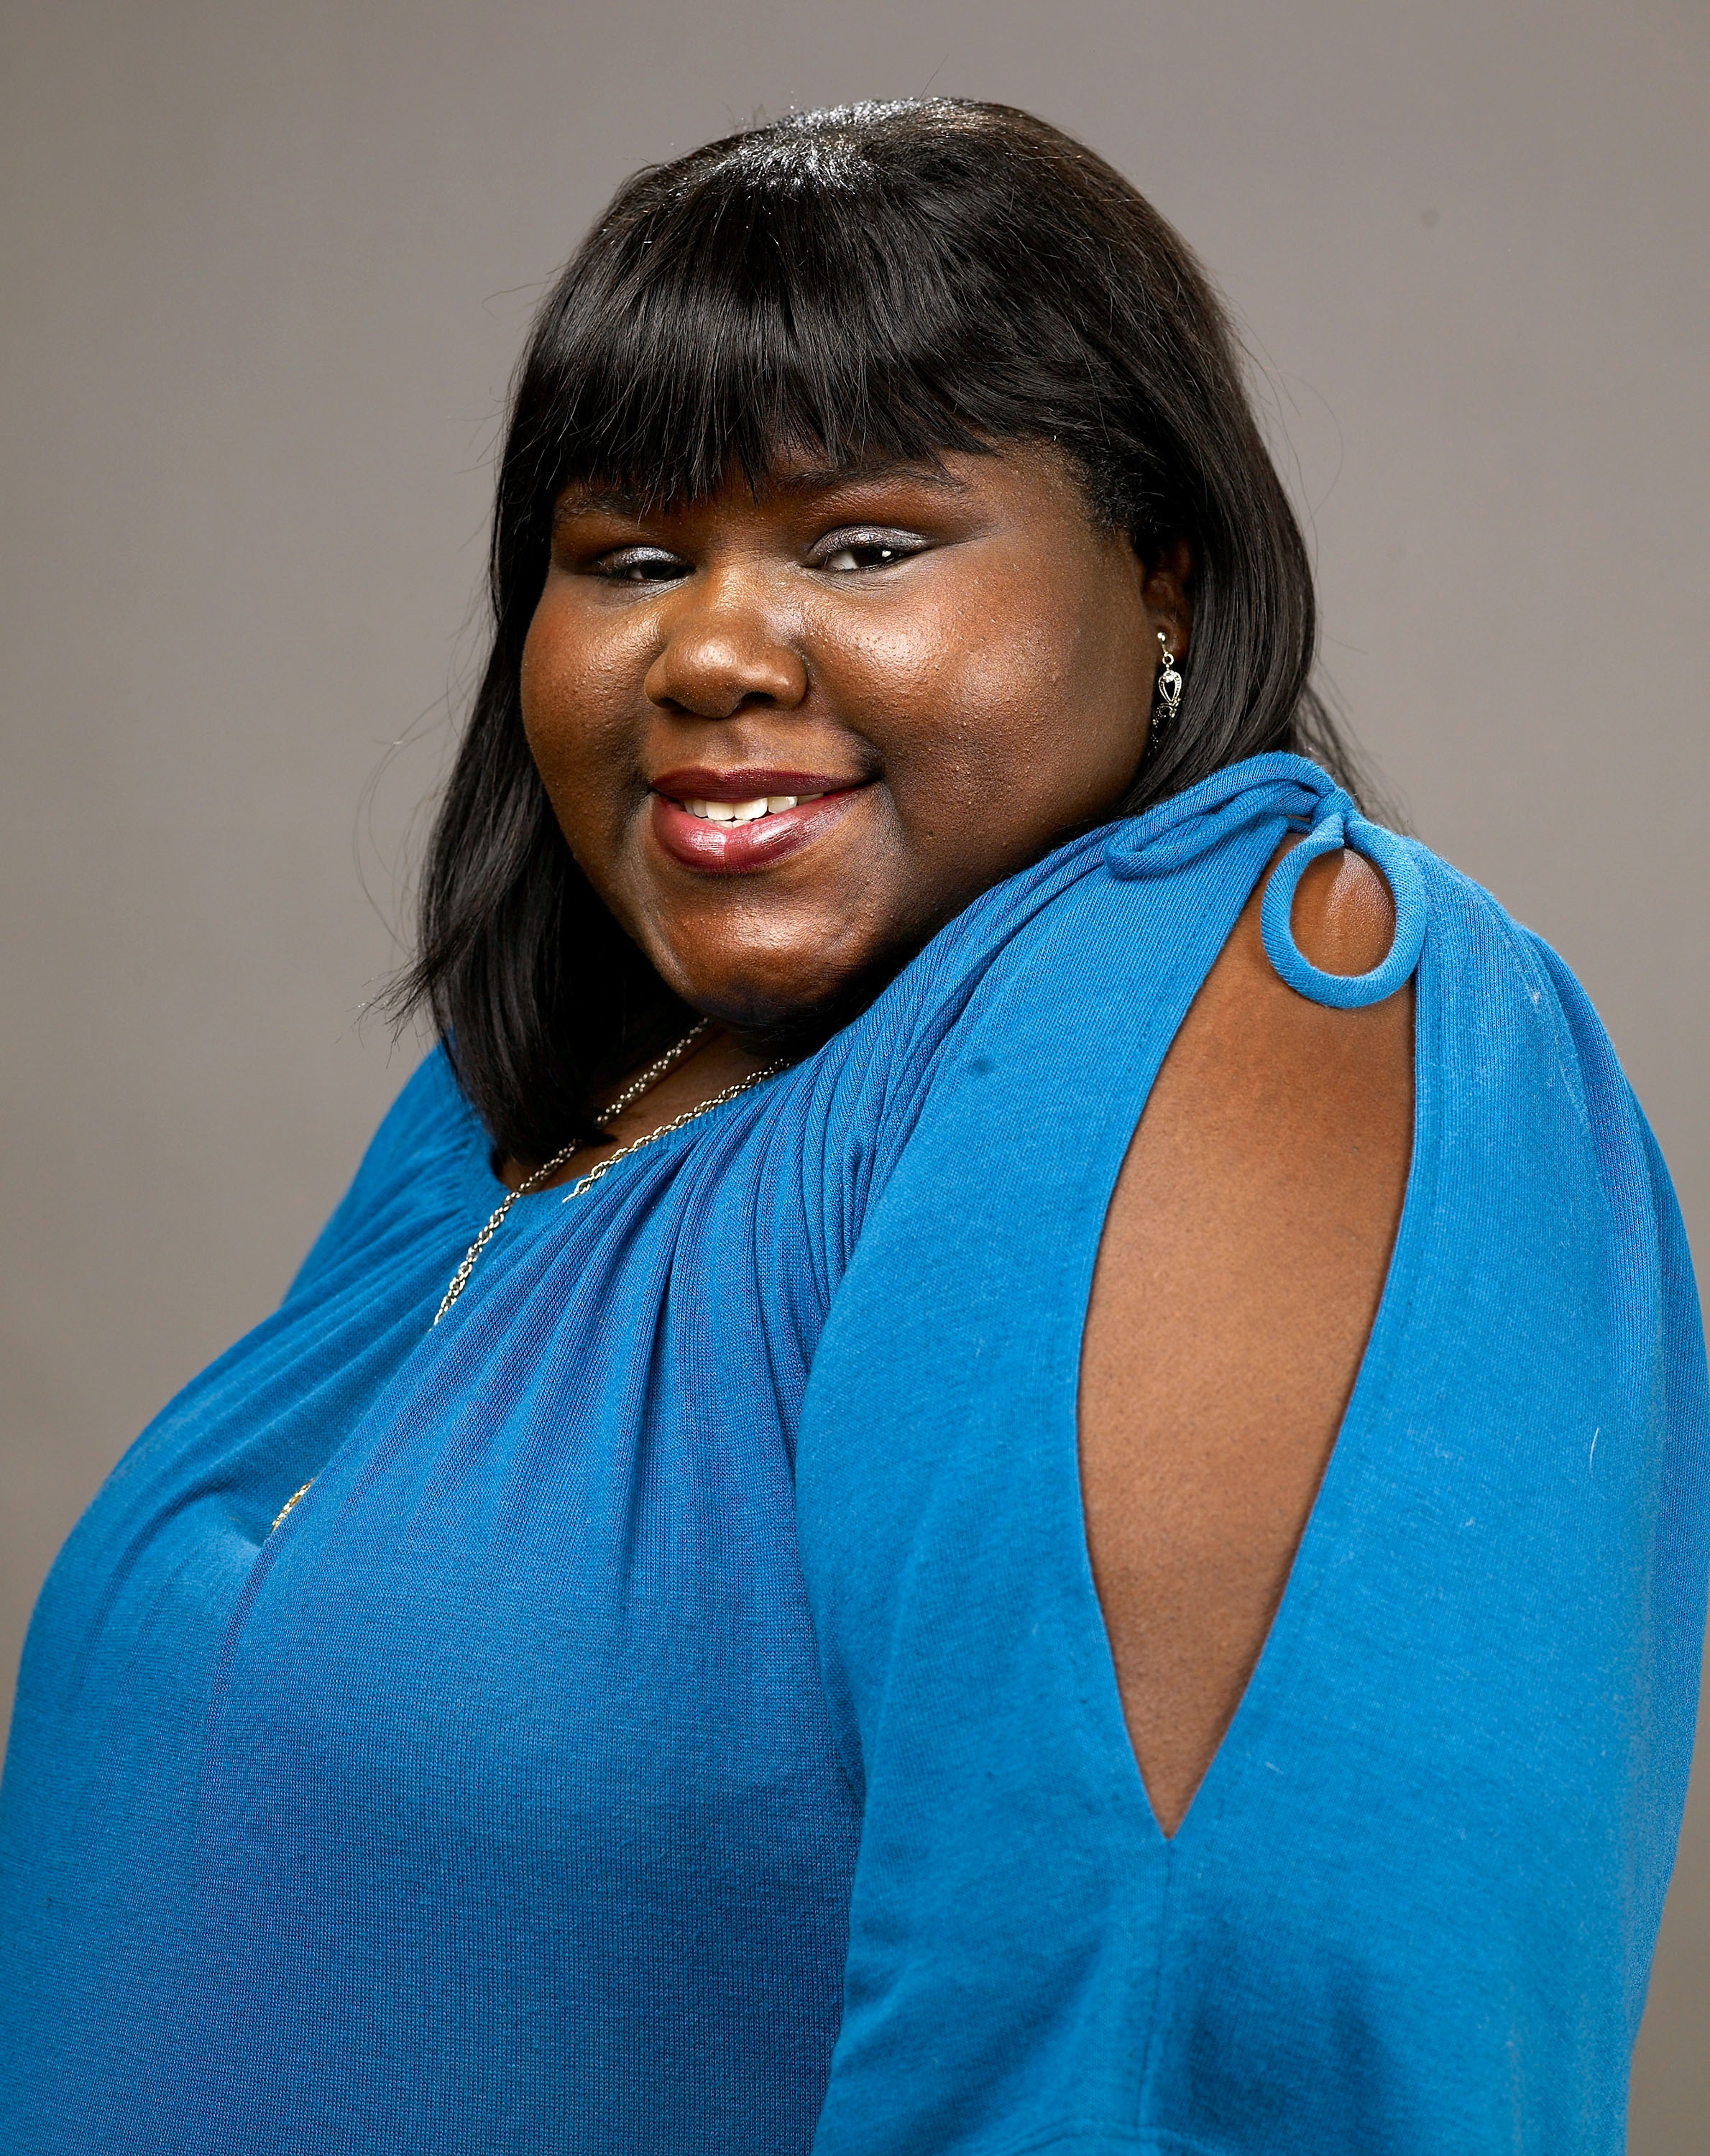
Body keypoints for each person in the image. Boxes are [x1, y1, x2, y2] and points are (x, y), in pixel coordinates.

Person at [1, 97, 1703, 2156]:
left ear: (1159, 574)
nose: (710, 649)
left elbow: (1183, 2022)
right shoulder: (543, 1097)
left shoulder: (1259, 988)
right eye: (625, 557)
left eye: (866, 544)